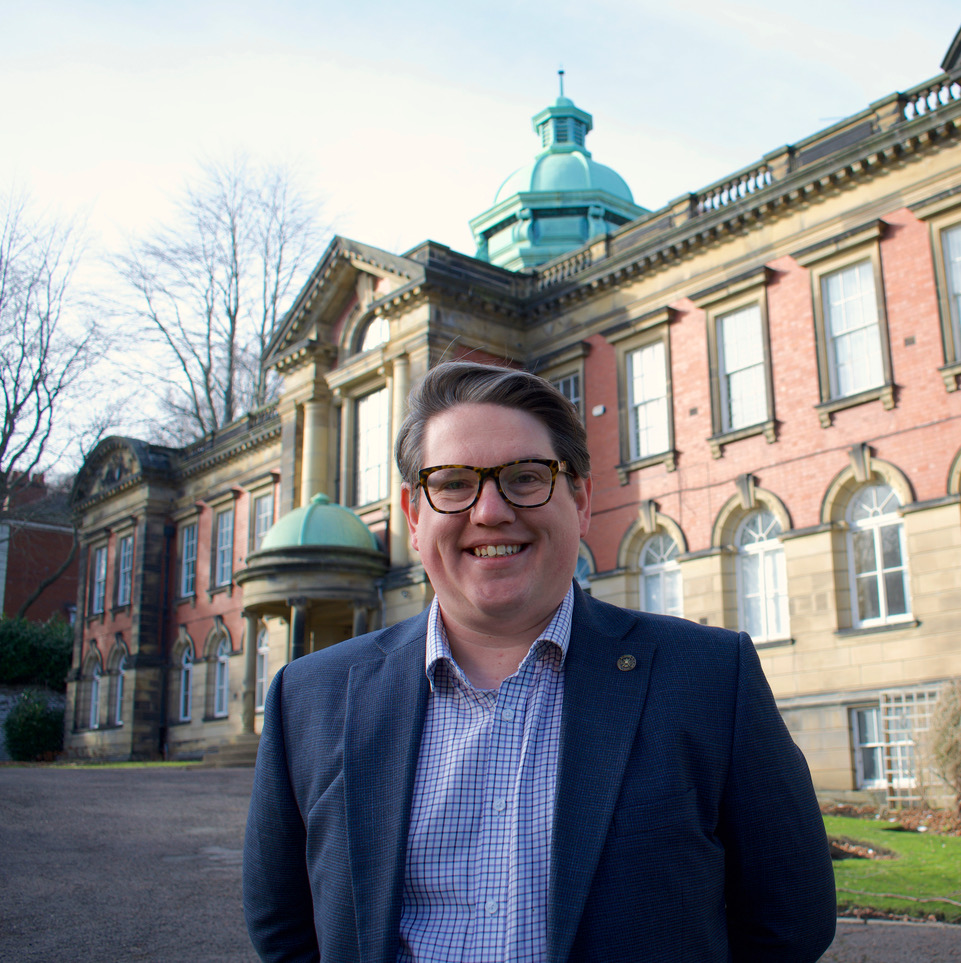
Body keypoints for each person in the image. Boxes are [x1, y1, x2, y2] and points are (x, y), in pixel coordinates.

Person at [243, 360, 836, 963]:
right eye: (451, 483)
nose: (491, 511)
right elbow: (284, 927)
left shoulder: (707, 676)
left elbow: (790, 920)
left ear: (579, 500)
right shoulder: (309, 695)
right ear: (415, 516)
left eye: (526, 477)